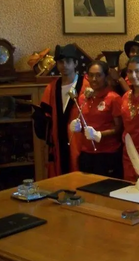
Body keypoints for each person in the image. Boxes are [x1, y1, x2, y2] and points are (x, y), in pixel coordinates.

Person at [40, 44, 89, 177]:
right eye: (61, 62)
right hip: (59, 140)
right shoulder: (51, 88)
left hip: (81, 140)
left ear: (75, 63)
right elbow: (46, 118)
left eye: (68, 61)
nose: (64, 65)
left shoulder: (87, 85)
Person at [69, 61, 123, 178]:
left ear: (105, 76)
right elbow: (83, 121)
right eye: (91, 75)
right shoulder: (83, 97)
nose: (94, 79)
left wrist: (99, 134)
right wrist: (77, 127)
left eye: (98, 75)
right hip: (86, 153)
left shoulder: (113, 98)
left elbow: (119, 128)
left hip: (107, 153)